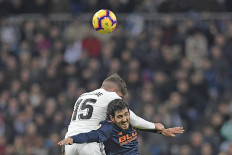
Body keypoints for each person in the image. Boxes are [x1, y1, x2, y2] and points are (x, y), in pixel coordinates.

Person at [63, 74, 165, 155]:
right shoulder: (110, 95)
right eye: (120, 96)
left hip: (69, 143)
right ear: (114, 91)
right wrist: (154, 126)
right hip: (89, 144)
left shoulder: (82, 96)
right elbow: (132, 118)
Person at [58, 99, 184, 155]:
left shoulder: (131, 122)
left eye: (126, 114)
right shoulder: (108, 128)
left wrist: (162, 131)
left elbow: (143, 127)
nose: (124, 120)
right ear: (112, 118)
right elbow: (92, 135)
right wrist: (73, 139)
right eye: (120, 117)